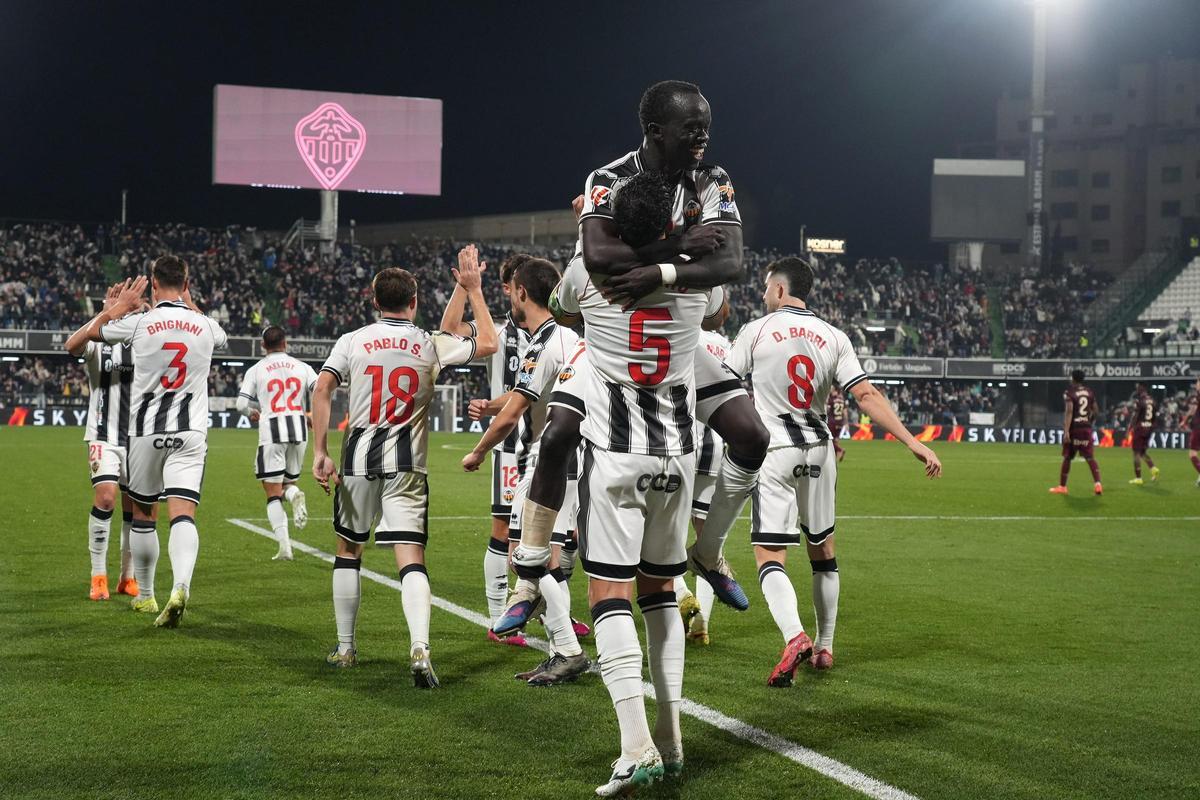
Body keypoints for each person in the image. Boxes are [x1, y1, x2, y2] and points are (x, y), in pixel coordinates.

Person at [553, 171, 730, 794]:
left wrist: (588, 233)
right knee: (660, 594)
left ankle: (635, 745)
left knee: (608, 597)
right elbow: (719, 305)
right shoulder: (689, 277)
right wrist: (682, 245)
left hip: (616, 453)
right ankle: (673, 736)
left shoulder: (591, 269)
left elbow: (561, 307)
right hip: (679, 455)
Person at [724, 257, 941, 685]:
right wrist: (913, 442)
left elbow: (726, 388)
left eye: (767, 287)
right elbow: (865, 394)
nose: (764, 294)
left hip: (775, 450)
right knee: (823, 551)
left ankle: (794, 636)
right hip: (820, 452)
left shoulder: (756, 330)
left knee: (770, 555)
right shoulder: (833, 335)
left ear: (781, 290)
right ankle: (824, 646)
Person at [311, 257, 497, 687]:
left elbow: (322, 388)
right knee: (410, 558)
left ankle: (345, 648)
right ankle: (419, 646)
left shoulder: (353, 340)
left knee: (348, 551)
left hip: (358, 458)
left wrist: (321, 451)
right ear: (414, 302)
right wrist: (470, 287)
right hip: (407, 462)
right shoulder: (430, 343)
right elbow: (487, 341)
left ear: (374, 301)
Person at [78, 256, 229, 628]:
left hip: (145, 431)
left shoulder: (140, 322)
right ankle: (181, 584)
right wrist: (191, 304)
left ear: (154, 284)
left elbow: (93, 335)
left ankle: (146, 596)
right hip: (191, 432)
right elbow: (221, 337)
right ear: (187, 282)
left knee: (143, 515)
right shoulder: (206, 326)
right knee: (183, 514)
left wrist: (114, 310)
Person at [461, 258, 590, 685]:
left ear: (521, 293)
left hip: (548, 462)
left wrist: (478, 451)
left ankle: (564, 647)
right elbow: (522, 397)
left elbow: (514, 411)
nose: (510, 296)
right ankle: (554, 639)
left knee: (530, 560)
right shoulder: (571, 336)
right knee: (538, 557)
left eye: (512, 289)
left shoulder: (541, 342)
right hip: (575, 458)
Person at [442, 250, 534, 646]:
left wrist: (492, 404)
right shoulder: (496, 330)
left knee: (559, 536)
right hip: (510, 445)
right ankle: (499, 618)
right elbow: (447, 335)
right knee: (504, 531)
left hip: (549, 443)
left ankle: (547, 611)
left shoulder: (550, 330)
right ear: (509, 289)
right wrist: (464, 289)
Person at [64, 282, 137, 601]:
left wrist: (146, 312)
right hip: (102, 435)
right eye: (128, 304)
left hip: (138, 436)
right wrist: (108, 312)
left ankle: (128, 577)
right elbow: (71, 345)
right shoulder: (99, 337)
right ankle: (98, 576)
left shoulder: (145, 340)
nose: (131, 308)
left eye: (134, 304)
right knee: (106, 498)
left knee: (134, 508)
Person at [672, 325, 733, 646]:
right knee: (708, 546)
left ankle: (682, 595)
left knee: (666, 537)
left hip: (680, 444)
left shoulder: (679, 333)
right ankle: (702, 625)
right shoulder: (723, 344)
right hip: (715, 447)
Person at [236, 325, 319, 560]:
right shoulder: (302, 367)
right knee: (288, 483)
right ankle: (293, 494)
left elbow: (241, 404)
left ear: (263, 346)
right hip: (298, 429)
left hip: (272, 431)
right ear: (286, 343)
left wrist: (253, 412)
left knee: (273, 494)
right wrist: (311, 414)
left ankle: (285, 547)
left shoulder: (256, 369)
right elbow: (320, 389)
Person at [1049, 370, 1102, 495]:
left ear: (1073, 379)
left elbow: (1069, 412)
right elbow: (1096, 411)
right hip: (1086, 428)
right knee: (1090, 458)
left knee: (1067, 457)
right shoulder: (1089, 392)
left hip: (1075, 429)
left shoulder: (1070, 393)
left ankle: (1062, 487)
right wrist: (1090, 421)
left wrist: (1066, 431)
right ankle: (1098, 484)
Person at [1128, 382, 1160, 486]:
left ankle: (1138, 478)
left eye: (1137, 387)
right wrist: (1151, 427)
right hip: (1149, 428)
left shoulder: (1140, 400)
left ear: (1142, 388)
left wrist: (1130, 427)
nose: (1136, 389)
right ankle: (1153, 468)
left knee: (1136, 453)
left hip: (1140, 428)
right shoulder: (1153, 401)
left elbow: (1136, 416)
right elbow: (1155, 416)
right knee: (1142, 452)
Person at [1182, 377, 1200, 487]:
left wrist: (1184, 420)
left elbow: (1193, 409)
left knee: (1192, 454)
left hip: (1198, 427)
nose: (1196, 384)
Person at [826, 383, 848, 462]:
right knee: (836, 441)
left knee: (830, 442)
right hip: (840, 422)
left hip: (832, 422)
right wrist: (846, 423)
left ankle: (840, 450)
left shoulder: (831, 399)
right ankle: (834, 459)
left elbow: (827, 410)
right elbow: (845, 412)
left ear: (834, 390)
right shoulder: (842, 400)